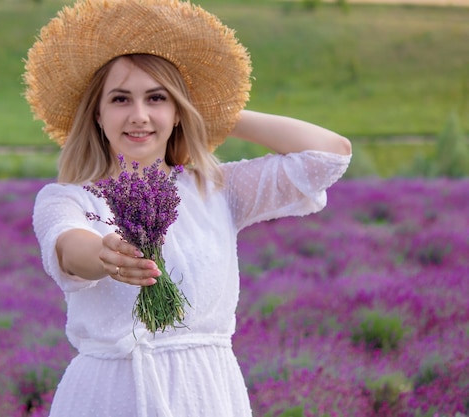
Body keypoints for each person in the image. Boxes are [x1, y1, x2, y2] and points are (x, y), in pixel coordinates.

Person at [25, 0, 352, 416]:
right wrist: (106, 255)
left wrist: (214, 114)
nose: (139, 116)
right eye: (121, 99)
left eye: (157, 99)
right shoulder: (67, 197)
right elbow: (70, 250)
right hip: (109, 394)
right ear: (98, 114)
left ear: (178, 111)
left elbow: (330, 156)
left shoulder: (216, 188)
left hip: (204, 392)